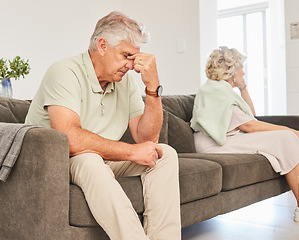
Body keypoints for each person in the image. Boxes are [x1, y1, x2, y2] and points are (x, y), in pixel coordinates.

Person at [25, 11, 181, 240]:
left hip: (103, 158)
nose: (131, 65)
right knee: (89, 161)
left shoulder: (124, 81)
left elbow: (147, 139)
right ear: (102, 45)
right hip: (58, 162)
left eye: (134, 58)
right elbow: (69, 139)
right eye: (126, 55)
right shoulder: (64, 72)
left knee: (164, 154)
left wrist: (153, 88)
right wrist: (130, 152)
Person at [191, 46, 299, 222]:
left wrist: (243, 88)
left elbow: (251, 117)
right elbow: (249, 125)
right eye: (241, 67)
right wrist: (293, 131)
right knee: (287, 137)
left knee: (286, 138)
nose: (244, 71)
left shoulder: (223, 90)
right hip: (214, 144)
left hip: (230, 138)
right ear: (231, 70)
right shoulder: (214, 90)